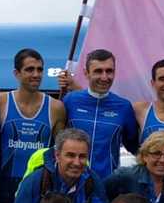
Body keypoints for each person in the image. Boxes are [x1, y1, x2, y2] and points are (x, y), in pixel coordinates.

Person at [0, 48, 63, 203]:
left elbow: (60, 153)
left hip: (40, 186)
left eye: (39, 69)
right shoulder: (0, 101)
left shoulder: (56, 107)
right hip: (5, 187)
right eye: (30, 69)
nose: (36, 74)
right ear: (16, 73)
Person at [8, 128, 109, 203]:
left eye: (82, 156)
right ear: (57, 155)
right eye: (70, 155)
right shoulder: (37, 180)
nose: (77, 163)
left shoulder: (91, 180)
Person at [57, 48, 140, 178]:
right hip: (73, 181)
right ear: (86, 73)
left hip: (108, 183)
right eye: (98, 71)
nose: (104, 77)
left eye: (109, 71)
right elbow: (57, 141)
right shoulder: (70, 101)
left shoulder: (124, 107)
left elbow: (135, 148)